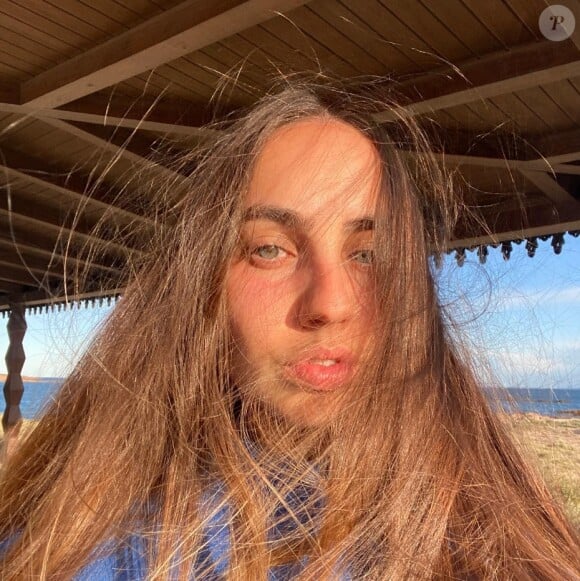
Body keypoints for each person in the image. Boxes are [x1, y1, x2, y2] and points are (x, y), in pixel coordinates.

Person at [0, 83, 578, 580]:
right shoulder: (94, 542)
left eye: (370, 254)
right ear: (202, 286)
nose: (329, 303)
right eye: (270, 249)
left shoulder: (501, 535)